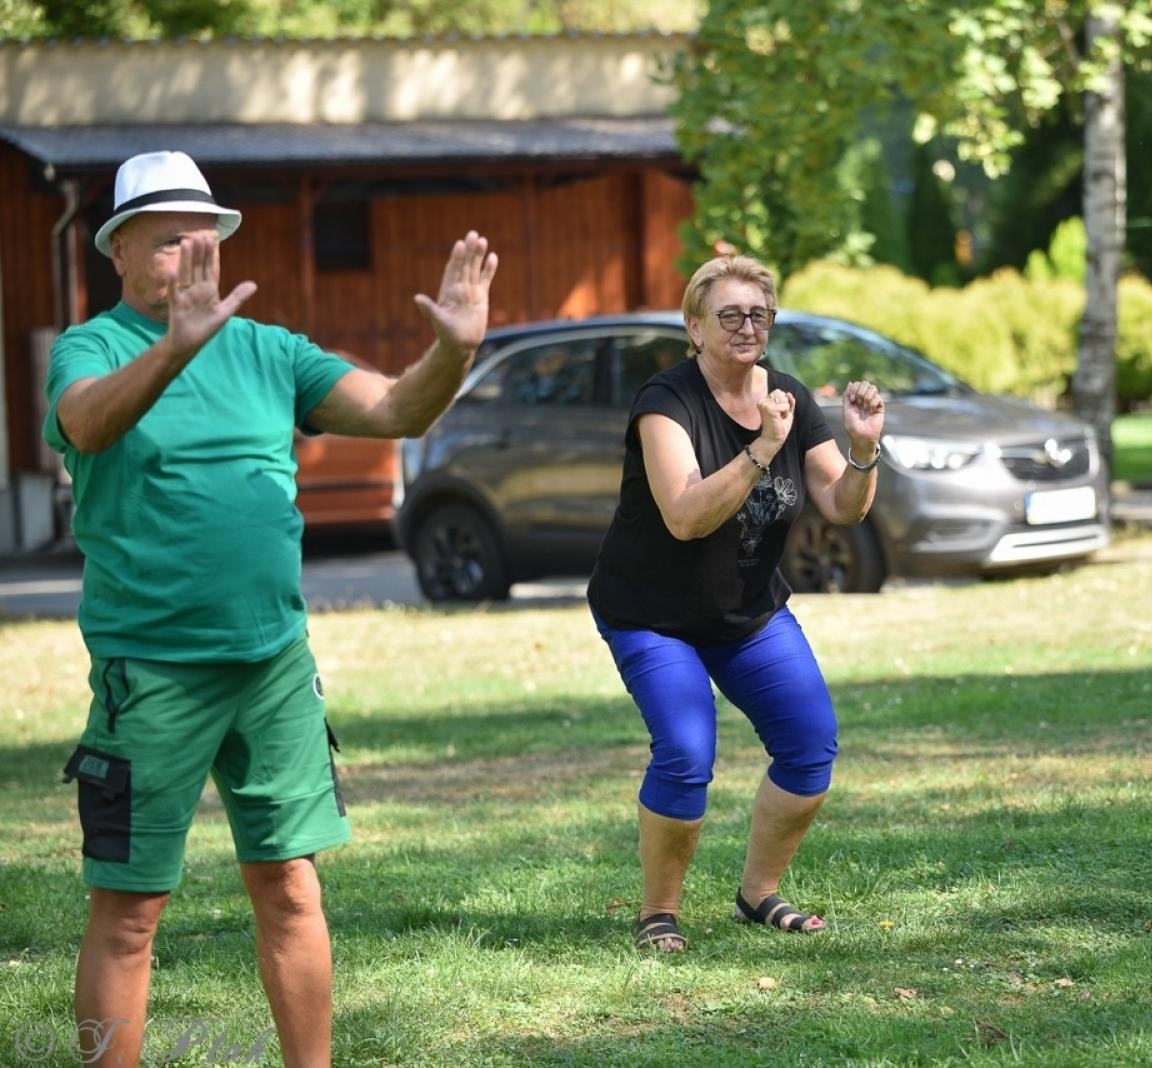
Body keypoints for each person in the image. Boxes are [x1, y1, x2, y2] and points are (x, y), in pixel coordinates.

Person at [46, 150, 497, 1066]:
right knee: (130, 911)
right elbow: (87, 422)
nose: (195, 255)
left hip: (275, 666)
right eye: (170, 240)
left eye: (205, 236)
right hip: (154, 671)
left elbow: (398, 409)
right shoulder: (90, 347)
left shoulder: (272, 350)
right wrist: (176, 346)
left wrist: (453, 349)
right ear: (120, 252)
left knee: (292, 887)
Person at [586, 254, 884, 952]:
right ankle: (658, 912)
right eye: (730, 314)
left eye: (759, 314)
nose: (747, 326)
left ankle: (758, 895)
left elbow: (843, 506)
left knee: (811, 748)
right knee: (686, 753)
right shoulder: (667, 402)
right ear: (694, 326)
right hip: (651, 615)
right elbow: (686, 516)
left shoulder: (788, 396)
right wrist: (760, 449)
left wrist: (864, 451)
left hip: (747, 614)